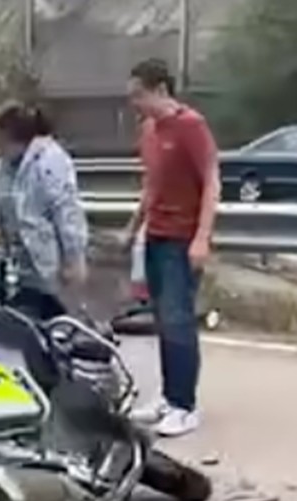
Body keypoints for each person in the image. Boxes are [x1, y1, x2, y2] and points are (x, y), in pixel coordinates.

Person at [124, 58, 220, 438]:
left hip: (183, 238)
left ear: (160, 90)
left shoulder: (191, 126)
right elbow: (151, 185)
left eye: (139, 95)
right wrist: (133, 229)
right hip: (156, 235)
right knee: (162, 320)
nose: (134, 103)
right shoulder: (148, 130)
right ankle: (168, 397)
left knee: (179, 320)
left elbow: (212, 182)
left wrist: (202, 237)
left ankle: (185, 406)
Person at [0, 101, 89, 318]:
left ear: (10, 136)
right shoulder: (3, 163)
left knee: (51, 321)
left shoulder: (49, 160)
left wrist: (73, 259)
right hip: (17, 266)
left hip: (48, 265)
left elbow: (66, 211)